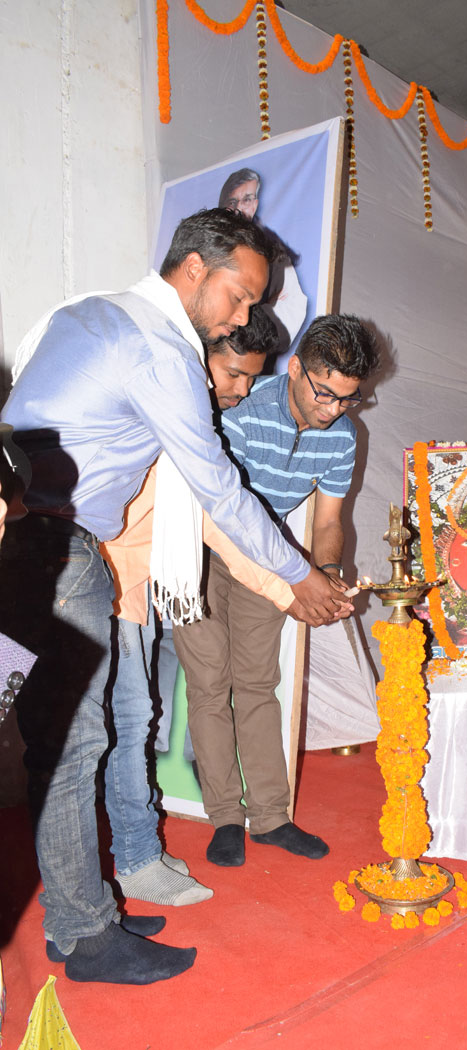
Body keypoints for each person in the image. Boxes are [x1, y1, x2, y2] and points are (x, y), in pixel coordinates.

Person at [0, 208, 349, 986]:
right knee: (75, 746)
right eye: (239, 295)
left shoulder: (88, 312)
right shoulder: (161, 348)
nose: (243, 315)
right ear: (195, 269)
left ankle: (71, 916)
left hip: (20, 542)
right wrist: (297, 578)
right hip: (57, 551)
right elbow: (217, 489)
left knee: (61, 741)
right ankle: (89, 936)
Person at [173, 314, 379, 867]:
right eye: (325, 394)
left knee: (258, 683)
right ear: (295, 370)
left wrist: (328, 569)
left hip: (272, 558)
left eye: (349, 399)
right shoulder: (237, 403)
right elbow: (226, 512)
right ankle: (225, 819)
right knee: (211, 684)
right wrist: (296, 577)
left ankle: (270, 817)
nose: (333, 410)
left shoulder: (343, 435)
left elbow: (329, 520)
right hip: (198, 550)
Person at [101, 306, 280, 911]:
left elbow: (213, 518)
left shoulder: (182, 418)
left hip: (135, 592)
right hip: (91, 588)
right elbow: (222, 517)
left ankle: (132, 858)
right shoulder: (158, 412)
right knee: (106, 735)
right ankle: (120, 874)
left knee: (129, 725)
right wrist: (295, 587)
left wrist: (290, 586)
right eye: (233, 375)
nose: (243, 390)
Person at [218, 167, 307, 355]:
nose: (239, 208)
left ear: (255, 204)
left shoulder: (273, 249)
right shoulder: (211, 243)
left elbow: (291, 304)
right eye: (233, 201)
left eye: (247, 200)